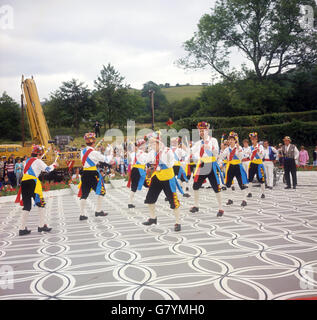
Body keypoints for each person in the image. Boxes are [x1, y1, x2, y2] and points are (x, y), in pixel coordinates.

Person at [143, 132, 183, 232]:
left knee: (173, 200)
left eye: (153, 143)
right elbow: (145, 160)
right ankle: (153, 218)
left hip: (168, 177)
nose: (151, 145)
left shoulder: (167, 151)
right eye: (150, 143)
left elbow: (171, 163)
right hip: (157, 176)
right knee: (150, 198)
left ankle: (178, 222)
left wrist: (160, 161)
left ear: (159, 142)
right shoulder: (152, 152)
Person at [15, 145, 58, 236]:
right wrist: (54, 165)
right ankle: (41, 226)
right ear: (39, 154)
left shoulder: (26, 161)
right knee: (41, 203)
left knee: (27, 206)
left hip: (24, 182)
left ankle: (22, 229)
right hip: (32, 183)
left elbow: (34, 165)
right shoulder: (38, 161)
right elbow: (48, 169)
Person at [190, 121, 224, 217]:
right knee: (195, 186)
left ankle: (221, 208)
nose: (201, 133)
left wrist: (210, 147)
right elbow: (193, 153)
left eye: (203, 131)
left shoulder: (213, 140)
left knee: (216, 186)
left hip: (211, 165)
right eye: (200, 131)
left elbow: (216, 153)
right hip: (202, 165)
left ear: (207, 131)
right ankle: (196, 206)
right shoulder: (198, 143)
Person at [78, 132, 108, 220]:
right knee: (102, 191)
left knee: (84, 194)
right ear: (94, 142)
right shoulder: (94, 152)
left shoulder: (82, 152)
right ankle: (98, 211)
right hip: (93, 174)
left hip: (84, 174)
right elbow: (104, 159)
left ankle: (82, 214)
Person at [220, 132, 248, 207]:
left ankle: (244, 200)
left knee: (241, 184)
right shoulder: (227, 149)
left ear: (235, 140)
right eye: (230, 140)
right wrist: (222, 150)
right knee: (228, 184)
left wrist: (238, 149)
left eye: (232, 140)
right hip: (230, 167)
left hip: (238, 167)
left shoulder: (239, 147)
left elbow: (241, 157)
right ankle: (230, 199)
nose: (231, 141)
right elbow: (222, 157)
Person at [127, 138, 149, 209]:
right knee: (147, 185)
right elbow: (146, 160)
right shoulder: (141, 153)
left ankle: (130, 202)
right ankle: (148, 199)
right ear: (141, 146)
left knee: (135, 186)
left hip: (135, 170)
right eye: (144, 145)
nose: (145, 146)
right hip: (139, 171)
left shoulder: (134, 153)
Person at [247, 132, 266, 199]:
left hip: (259, 164)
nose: (253, 141)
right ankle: (249, 192)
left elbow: (262, 155)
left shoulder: (260, 147)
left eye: (254, 139)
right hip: (252, 163)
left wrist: (258, 151)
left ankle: (263, 193)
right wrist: (252, 154)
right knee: (250, 178)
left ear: (256, 140)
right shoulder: (250, 148)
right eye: (252, 139)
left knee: (261, 178)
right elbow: (248, 156)